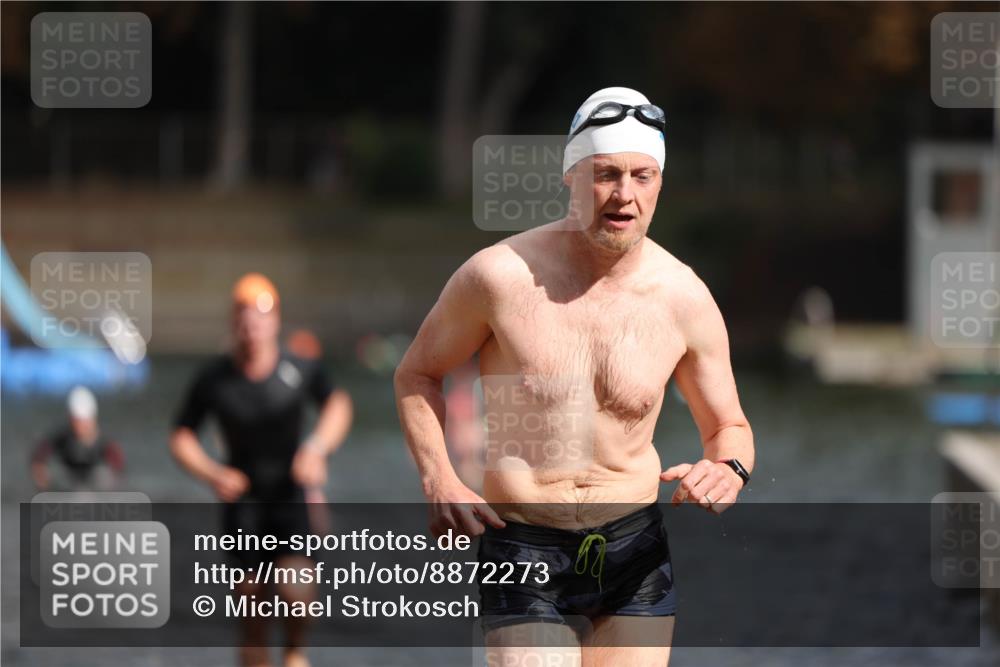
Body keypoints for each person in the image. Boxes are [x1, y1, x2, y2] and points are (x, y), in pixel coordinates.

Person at [394, 87, 755, 666]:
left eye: (642, 176)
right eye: (605, 174)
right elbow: (417, 374)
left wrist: (729, 469)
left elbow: (730, 426)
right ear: (570, 175)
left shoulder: (685, 297)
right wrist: (439, 478)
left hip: (634, 549)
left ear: (660, 181)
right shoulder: (498, 277)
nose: (623, 195)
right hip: (523, 544)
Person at [170, 273, 353, 667]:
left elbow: (338, 405)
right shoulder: (214, 378)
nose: (251, 325)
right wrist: (210, 472)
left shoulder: (300, 368)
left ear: (275, 321)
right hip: (244, 503)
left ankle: (295, 654)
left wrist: (317, 448)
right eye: (243, 316)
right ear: (233, 322)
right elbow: (181, 434)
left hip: (291, 496)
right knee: (252, 613)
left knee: (296, 592)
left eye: (259, 316)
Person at [31, 385, 125, 492]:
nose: (80, 427)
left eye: (84, 422)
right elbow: (38, 457)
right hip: (70, 485)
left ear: (92, 420)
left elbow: (119, 471)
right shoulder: (62, 439)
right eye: (77, 422)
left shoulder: (106, 444)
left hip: (96, 487)